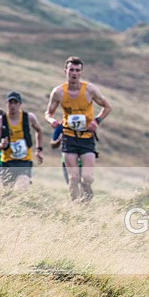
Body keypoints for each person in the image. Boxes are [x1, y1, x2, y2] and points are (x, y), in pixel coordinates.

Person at [45, 56, 112, 202]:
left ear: (81, 72)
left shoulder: (90, 90)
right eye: (71, 70)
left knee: (87, 177)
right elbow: (48, 113)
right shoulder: (58, 92)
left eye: (77, 70)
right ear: (65, 71)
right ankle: (74, 207)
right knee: (73, 177)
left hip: (87, 138)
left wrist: (97, 121)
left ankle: (87, 192)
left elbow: (107, 107)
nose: (74, 73)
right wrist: (52, 121)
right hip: (69, 137)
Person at [0, 92, 43, 190]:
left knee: (22, 187)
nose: (13, 105)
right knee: (8, 193)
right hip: (7, 161)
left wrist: (38, 149)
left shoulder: (28, 117)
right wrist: (1, 145)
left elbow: (39, 130)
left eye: (15, 102)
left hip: (24, 161)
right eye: (10, 103)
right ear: (6, 104)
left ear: (20, 104)